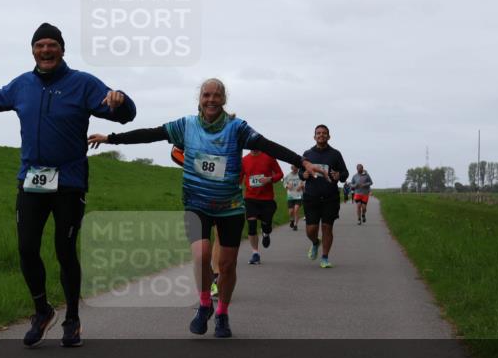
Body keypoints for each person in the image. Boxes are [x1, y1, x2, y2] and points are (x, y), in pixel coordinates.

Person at [0, 22, 136, 348]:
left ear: (62, 49)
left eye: (52, 45)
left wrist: (122, 101)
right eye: (40, 45)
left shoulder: (83, 83)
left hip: (69, 182)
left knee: (65, 250)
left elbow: (122, 113)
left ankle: (72, 318)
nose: (45, 50)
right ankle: (42, 311)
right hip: (32, 180)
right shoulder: (23, 84)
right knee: (26, 248)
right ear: (33, 50)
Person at [89, 79, 323, 338]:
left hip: (230, 206)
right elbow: (151, 134)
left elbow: (268, 145)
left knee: (227, 265)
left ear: (224, 99)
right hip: (196, 203)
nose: (211, 100)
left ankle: (222, 313)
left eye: (216, 95)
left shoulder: (237, 128)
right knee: (201, 254)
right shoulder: (186, 126)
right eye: (206, 95)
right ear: (199, 99)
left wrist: (302, 161)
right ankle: (204, 304)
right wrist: (111, 138)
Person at [298, 124, 349, 269]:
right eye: (318, 133)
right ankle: (315, 242)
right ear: (314, 136)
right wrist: (304, 174)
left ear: (329, 136)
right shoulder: (307, 154)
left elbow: (345, 173)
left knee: (327, 227)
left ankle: (325, 258)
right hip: (311, 196)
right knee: (311, 229)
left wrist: (339, 175)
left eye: (324, 133)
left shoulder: (335, 154)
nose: (321, 135)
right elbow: (301, 172)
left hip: (330, 197)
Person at [173, 145, 220, 295]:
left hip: (222, 193)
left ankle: (216, 277)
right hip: (196, 195)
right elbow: (175, 152)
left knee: (219, 234)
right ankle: (209, 276)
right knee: (201, 249)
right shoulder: (190, 132)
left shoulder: (230, 133)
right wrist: (195, 167)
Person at [240, 150, 284, 264]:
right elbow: (239, 179)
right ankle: (255, 253)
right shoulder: (244, 160)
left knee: (266, 225)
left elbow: (280, 174)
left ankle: (266, 232)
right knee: (252, 225)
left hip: (267, 199)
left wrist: (270, 179)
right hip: (250, 198)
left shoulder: (269, 157)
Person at [283, 164, 305, 231]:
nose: (296, 169)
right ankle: (292, 220)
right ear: (292, 168)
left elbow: (304, 183)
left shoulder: (301, 175)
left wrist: (301, 186)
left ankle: (295, 225)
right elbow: (284, 183)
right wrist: (287, 186)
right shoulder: (288, 176)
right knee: (291, 211)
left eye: (297, 168)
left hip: (299, 195)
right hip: (291, 195)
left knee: (296, 209)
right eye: (294, 168)